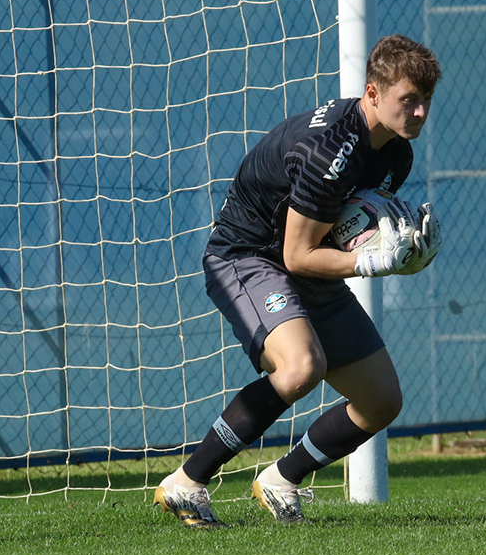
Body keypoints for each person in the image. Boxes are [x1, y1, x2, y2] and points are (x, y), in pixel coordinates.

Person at [153, 34, 442, 527]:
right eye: (408, 100)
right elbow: (298, 253)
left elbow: (347, 230)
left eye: (425, 102)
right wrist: (377, 263)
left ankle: (280, 480)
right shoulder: (329, 150)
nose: (418, 113)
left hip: (301, 264)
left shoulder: (397, 154)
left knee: (381, 401)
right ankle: (187, 483)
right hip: (248, 257)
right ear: (372, 93)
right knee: (301, 367)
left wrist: (394, 241)